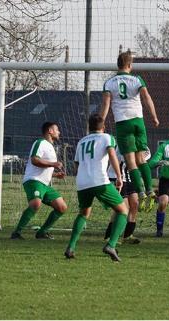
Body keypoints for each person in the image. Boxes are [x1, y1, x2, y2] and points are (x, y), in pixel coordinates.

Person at [99, 50, 159, 213]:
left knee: (131, 162)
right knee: (142, 159)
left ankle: (140, 192)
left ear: (118, 65)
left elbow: (105, 105)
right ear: (130, 65)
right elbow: (147, 97)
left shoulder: (109, 83)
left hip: (122, 123)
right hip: (138, 122)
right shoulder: (137, 79)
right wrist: (154, 116)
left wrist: (101, 124)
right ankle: (150, 190)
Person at [64, 114, 128, 262]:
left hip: (82, 182)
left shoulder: (81, 141)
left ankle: (70, 247)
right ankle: (111, 245)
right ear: (103, 126)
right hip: (99, 181)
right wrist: (119, 177)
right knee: (123, 210)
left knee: (84, 213)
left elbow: (76, 164)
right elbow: (112, 156)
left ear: (89, 127)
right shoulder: (107, 137)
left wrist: (83, 178)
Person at [10, 122, 68, 240]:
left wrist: (56, 175)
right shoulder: (40, 143)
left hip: (44, 184)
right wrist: (54, 164)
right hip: (33, 181)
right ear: (50, 131)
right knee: (36, 204)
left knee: (62, 207)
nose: (59, 132)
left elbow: (44, 169)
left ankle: (42, 232)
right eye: (57, 129)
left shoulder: (51, 147)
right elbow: (34, 160)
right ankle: (16, 233)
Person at [103, 146, 151, 245]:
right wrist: (138, 156)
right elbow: (124, 158)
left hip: (131, 178)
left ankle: (128, 235)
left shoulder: (139, 142)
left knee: (135, 205)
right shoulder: (122, 142)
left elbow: (147, 153)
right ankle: (109, 236)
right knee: (122, 207)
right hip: (117, 177)